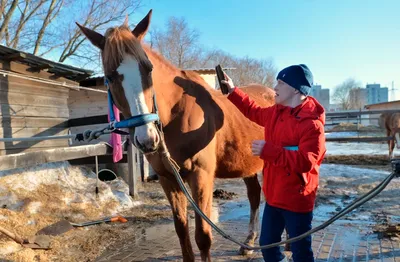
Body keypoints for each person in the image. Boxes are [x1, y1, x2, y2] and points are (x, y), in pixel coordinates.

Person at [222, 64, 326, 262]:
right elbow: (253, 111)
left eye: (280, 82)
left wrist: (268, 151)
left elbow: (307, 162)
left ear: (296, 89)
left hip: (297, 200)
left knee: (301, 252)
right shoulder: (276, 113)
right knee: (267, 246)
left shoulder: (312, 125)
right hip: (273, 197)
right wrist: (233, 91)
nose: (275, 87)